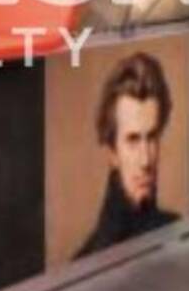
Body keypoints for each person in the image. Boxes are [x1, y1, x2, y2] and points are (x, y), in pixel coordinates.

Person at [75, 52, 176, 259]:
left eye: (152, 137)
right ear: (112, 152)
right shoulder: (87, 262)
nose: (146, 160)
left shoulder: (175, 231)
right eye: (133, 140)